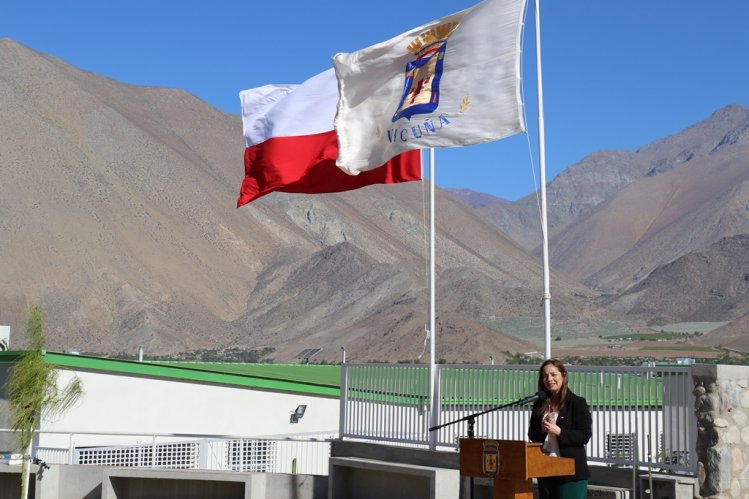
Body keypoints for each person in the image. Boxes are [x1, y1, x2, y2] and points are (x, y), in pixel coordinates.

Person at [528, 359, 592, 499]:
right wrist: (543, 429)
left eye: (553, 374)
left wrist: (559, 432)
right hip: (545, 468)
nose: (549, 379)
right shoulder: (540, 404)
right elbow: (532, 434)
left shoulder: (577, 403)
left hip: (571, 473)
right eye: (545, 376)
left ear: (563, 375)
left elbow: (584, 435)